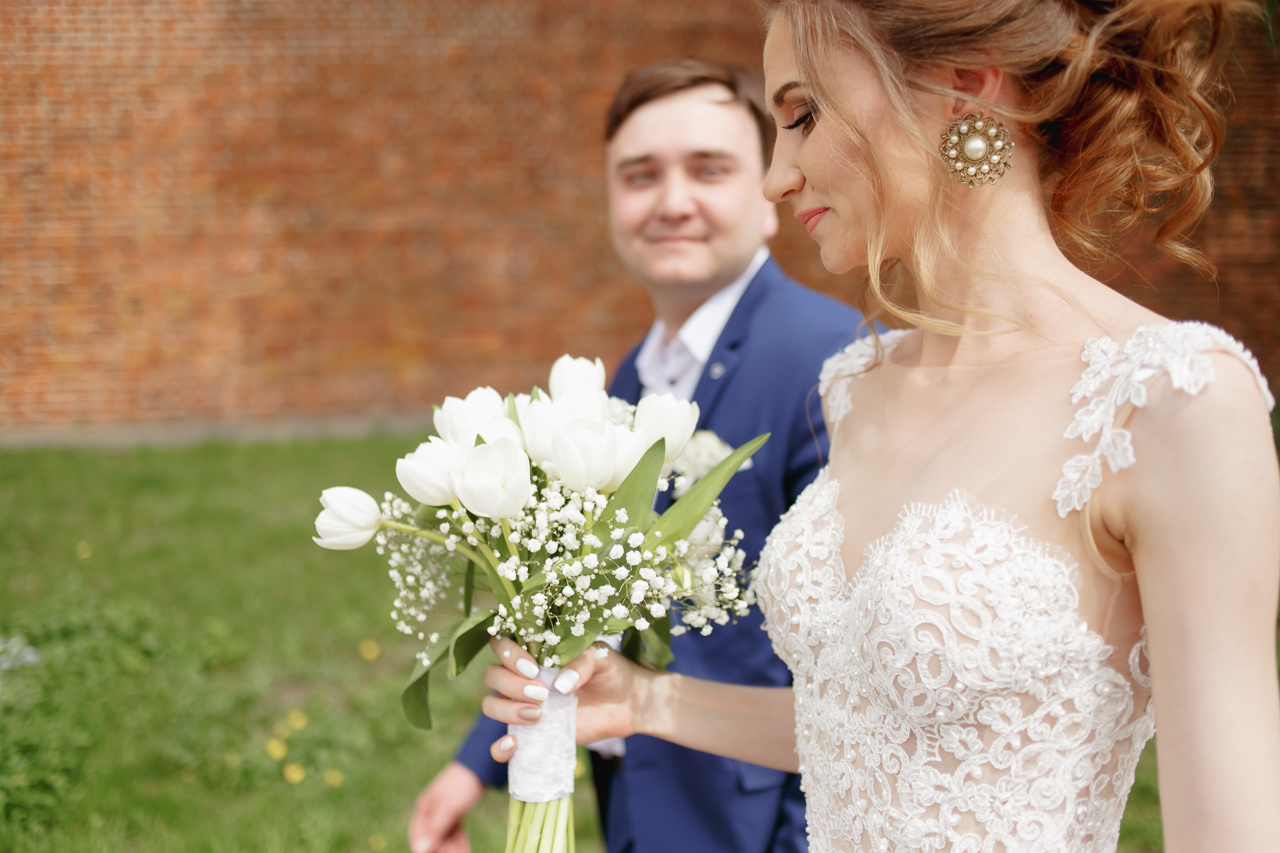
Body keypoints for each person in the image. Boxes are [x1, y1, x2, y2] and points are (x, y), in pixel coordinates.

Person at [478, 2, 1280, 851]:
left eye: (803, 116)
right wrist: (645, 700)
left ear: (964, 87)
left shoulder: (1171, 400)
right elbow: (873, 729)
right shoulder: (855, 384)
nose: (775, 177)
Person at [408, 58, 862, 853]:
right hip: (634, 811)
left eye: (709, 169)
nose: (672, 201)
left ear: (768, 194)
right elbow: (574, 608)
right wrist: (472, 766)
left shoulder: (831, 364)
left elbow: (858, 681)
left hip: (754, 823)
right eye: (639, 175)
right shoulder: (627, 378)